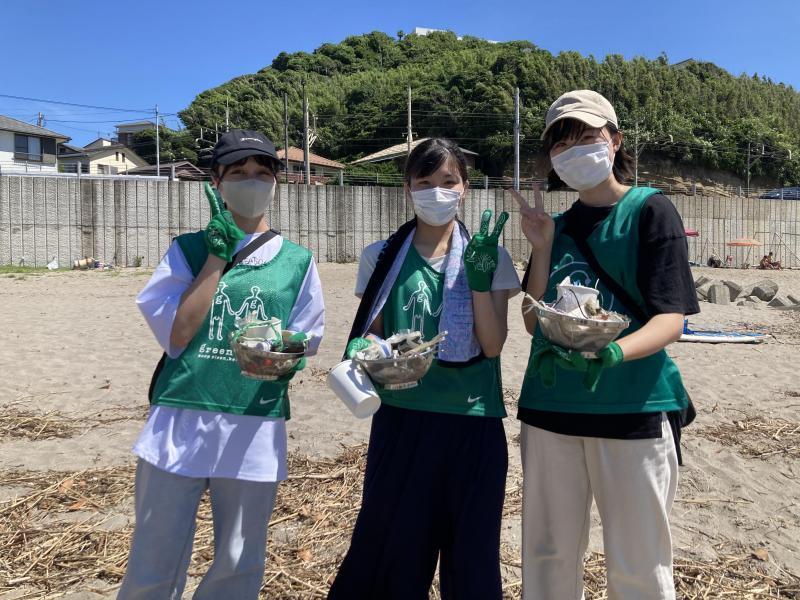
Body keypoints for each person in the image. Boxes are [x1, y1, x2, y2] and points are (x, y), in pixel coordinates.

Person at [118, 129, 325, 599]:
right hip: (181, 417)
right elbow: (176, 332)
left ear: (276, 181)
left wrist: (282, 357)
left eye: (261, 173)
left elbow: (306, 338)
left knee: (239, 559)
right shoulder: (186, 250)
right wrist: (216, 255)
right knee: (155, 554)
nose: (251, 182)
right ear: (216, 182)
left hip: (253, 421)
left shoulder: (297, 261)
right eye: (238, 173)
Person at [513, 90, 699, 600]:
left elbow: (671, 319)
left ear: (615, 141)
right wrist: (543, 247)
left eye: (586, 137)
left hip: (632, 409)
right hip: (552, 412)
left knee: (639, 563)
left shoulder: (650, 211)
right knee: (547, 556)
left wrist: (612, 351)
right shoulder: (556, 227)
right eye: (561, 143)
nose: (574, 151)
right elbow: (534, 322)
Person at [328, 138, 521, 600]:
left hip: (472, 423)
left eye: (448, 181)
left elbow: (492, 346)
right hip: (402, 418)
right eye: (425, 182)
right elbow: (373, 335)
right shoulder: (382, 255)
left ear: (466, 188)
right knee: (392, 556)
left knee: (471, 563)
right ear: (408, 189)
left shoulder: (490, 255)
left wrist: (478, 280)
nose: (437, 190)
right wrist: (366, 347)